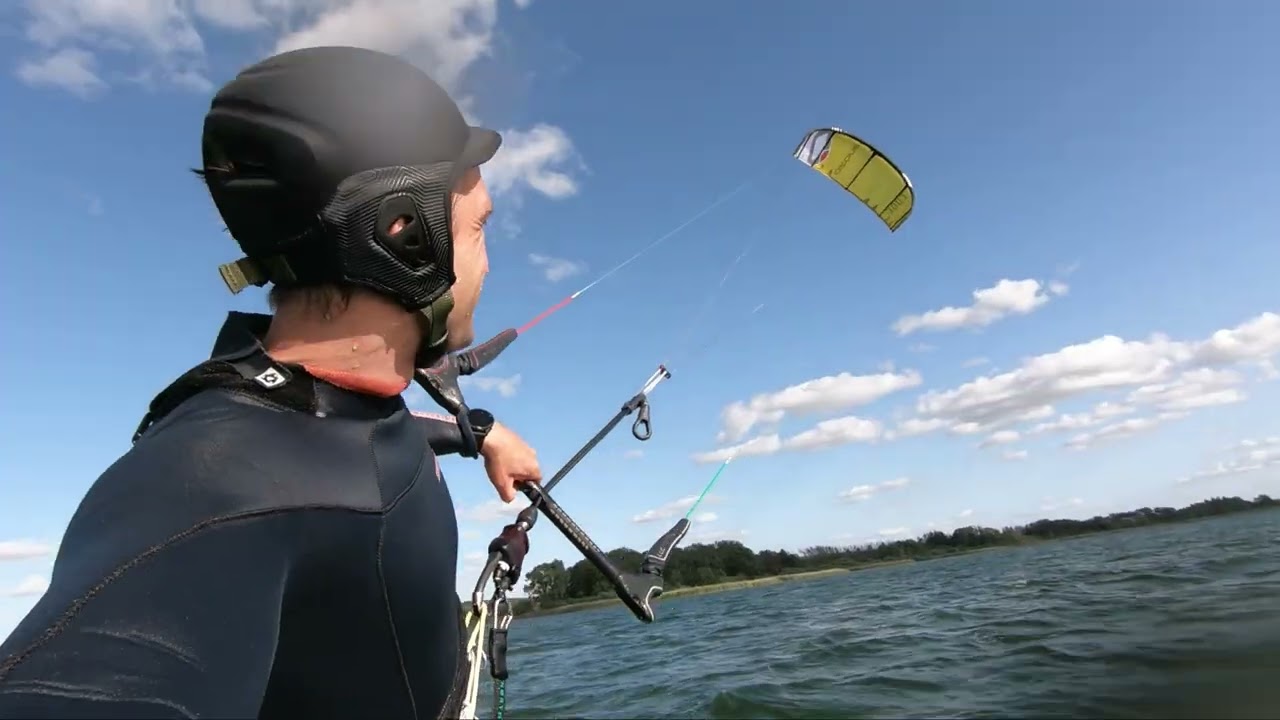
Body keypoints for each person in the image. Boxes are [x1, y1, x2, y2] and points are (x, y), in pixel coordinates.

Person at [0, 46, 541, 719]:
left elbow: (363, 440)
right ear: (405, 235)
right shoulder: (207, 483)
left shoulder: (327, 413)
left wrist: (479, 433)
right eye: (480, 227)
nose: (489, 261)